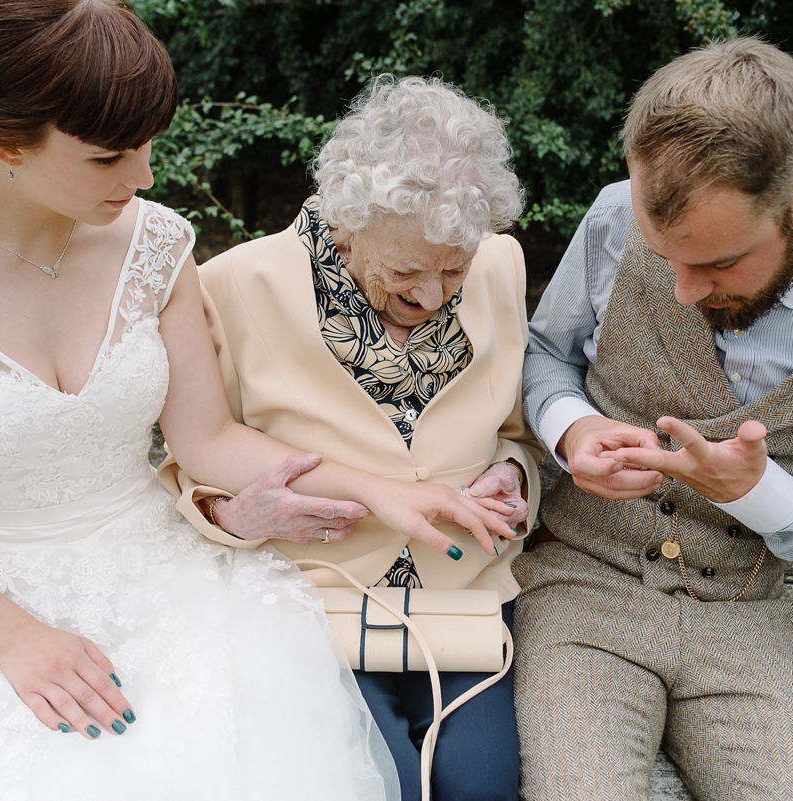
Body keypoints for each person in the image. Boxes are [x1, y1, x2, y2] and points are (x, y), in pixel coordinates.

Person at [0, 2, 515, 797]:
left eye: (147, 145)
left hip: (163, 573)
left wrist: (387, 490)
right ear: (5, 143)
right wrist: (15, 640)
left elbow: (209, 441)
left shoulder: (155, 243)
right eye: (109, 157)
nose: (142, 177)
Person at [514, 38, 793, 801]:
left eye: (718, 263)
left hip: (752, 616)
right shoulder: (610, 217)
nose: (685, 290)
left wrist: (767, 495)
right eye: (668, 258)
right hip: (577, 590)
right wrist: (569, 426)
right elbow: (546, 354)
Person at [159, 76, 538, 801]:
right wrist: (238, 516)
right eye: (404, 271)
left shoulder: (500, 263)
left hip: (464, 596)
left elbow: (513, 434)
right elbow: (193, 466)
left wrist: (513, 475)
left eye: (452, 269)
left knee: (482, 785)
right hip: (310, 602)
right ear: (345, 223)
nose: (431, 294)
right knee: (378, 782)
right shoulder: (234, 286)